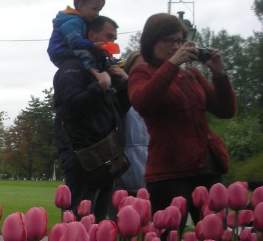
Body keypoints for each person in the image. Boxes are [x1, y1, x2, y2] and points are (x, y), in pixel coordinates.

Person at [128, 13, 236, 222]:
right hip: (169, 171)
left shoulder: (192, 76)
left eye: (180, 40)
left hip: (207, 166)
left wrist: (219, 74)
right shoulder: (142, 74)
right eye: (169, 41)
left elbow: (226, 111)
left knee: (215, 240)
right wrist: (172, 64)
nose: (176, 46)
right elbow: (143, 102)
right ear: (152, 42)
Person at [53, 15, 130, 221]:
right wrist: (99, 87)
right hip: (83, 158)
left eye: (114, 38)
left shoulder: (102, 68)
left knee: (97, 221)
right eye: (108, 36)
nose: (112, 43)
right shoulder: (73, 67)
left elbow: (117, 111)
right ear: (91, 34)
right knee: (79, 223)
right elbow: (72, 107)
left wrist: (125, 85)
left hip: (107, 156)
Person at [47, 0, 106, 72]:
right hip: (59, 50)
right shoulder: (74, 21)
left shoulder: (82, 22)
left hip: (66, 49)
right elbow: (74, 42)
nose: (97, 14)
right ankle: (94, 73)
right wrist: (93, 44)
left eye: (99, 10)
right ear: (81, 5)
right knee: (86, 55)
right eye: (95, 9)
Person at [114, 51, 149, 195]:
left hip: (152, 172)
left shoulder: (160, 97)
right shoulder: (119, 95)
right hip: (123, 172)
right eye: (138, 68)